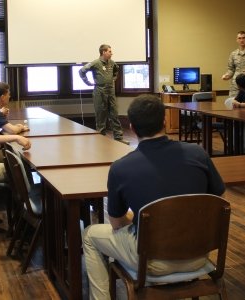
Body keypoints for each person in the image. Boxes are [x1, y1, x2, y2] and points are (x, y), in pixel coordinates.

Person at [82, 95, 226, 300]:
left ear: (131, 127)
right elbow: (217, 200)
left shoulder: (121, 168)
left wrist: (144, 221)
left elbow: (116, 223)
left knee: (90, 235)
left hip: (152, 262)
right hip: (199, 255)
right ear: (165, 121)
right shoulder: (198, 153)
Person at [79, 44, 128, 144]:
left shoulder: (112, 63)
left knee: (114, 115)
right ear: (103, 52)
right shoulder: (95, 63)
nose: (111, 53)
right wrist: (87, 82)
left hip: (111, 91)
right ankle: (101, 140)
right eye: (109, 51)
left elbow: (116, 70)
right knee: (101, 116)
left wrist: (114, 79)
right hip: (100, 91)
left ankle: (119, 138)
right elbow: (82, 71)